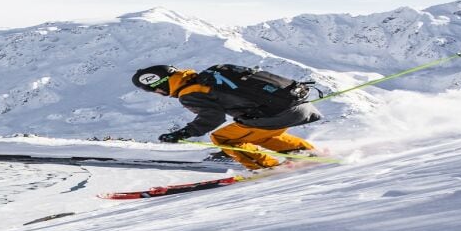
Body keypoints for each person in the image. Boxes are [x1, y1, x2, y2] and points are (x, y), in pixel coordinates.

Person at [132, 64, 321, 170]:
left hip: (276, 114)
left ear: (163, 84)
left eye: (155, 90)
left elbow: (212, 118)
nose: (158, 93)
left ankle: (267, 168)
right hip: (297, 105)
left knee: (223, 138)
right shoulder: (210, 77)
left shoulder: (190, 92)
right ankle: (304, 153)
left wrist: (182, 133)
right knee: (257, 133)